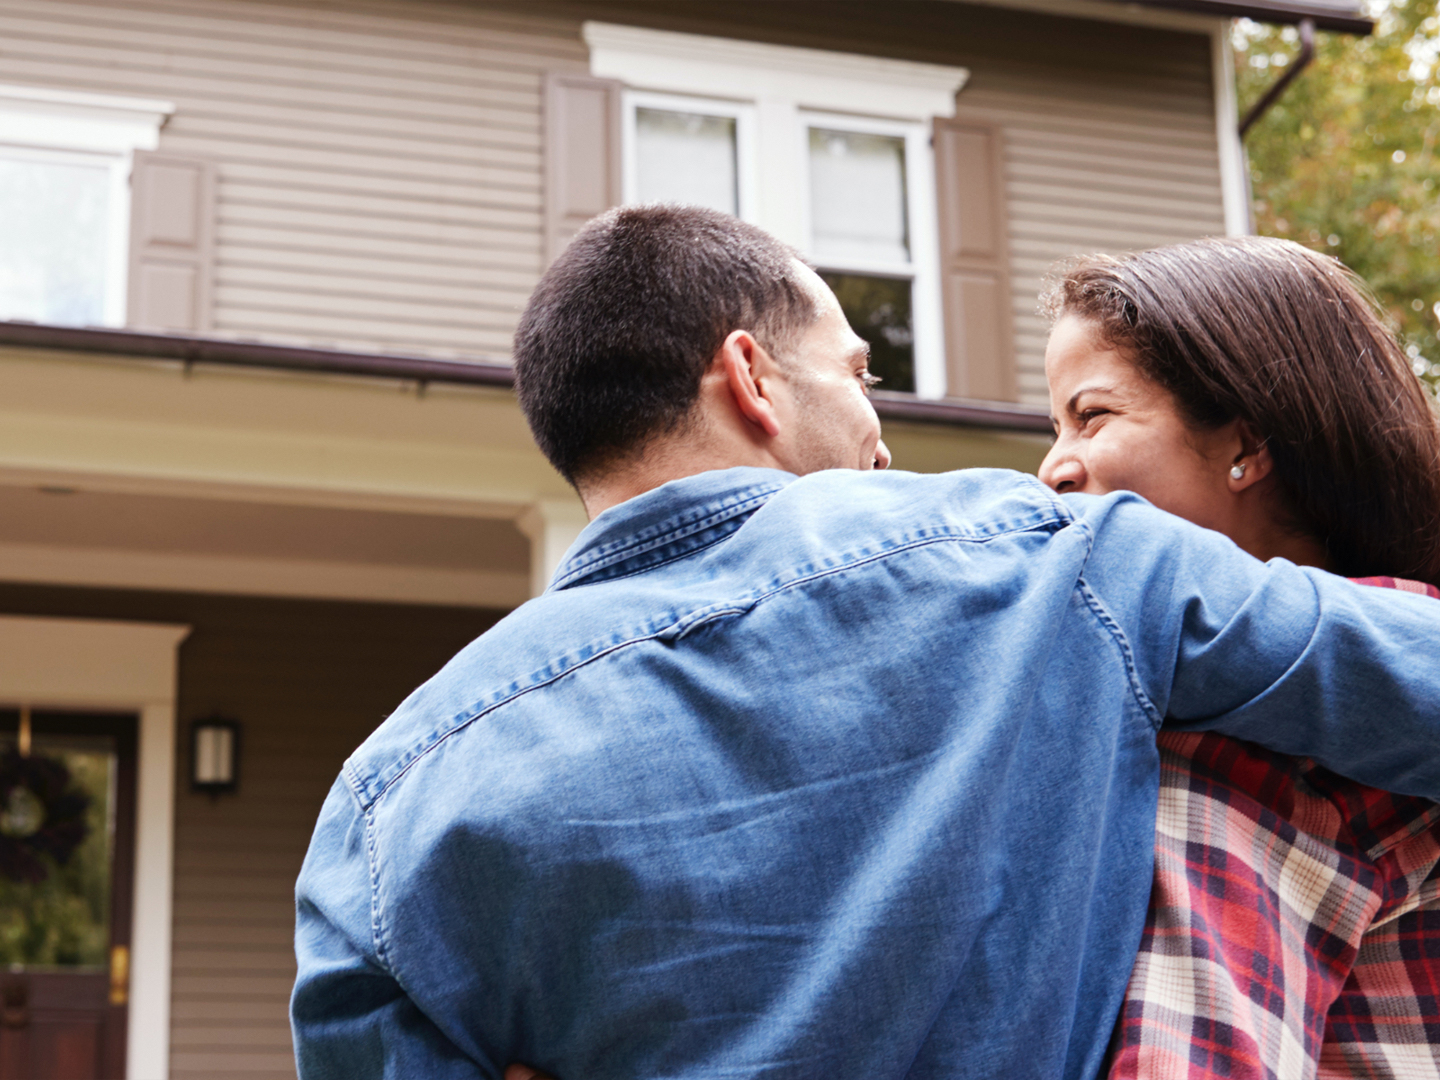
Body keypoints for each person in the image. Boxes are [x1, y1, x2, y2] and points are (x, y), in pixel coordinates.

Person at [291, 206, 1440, 1080]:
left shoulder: (379, 811)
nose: (882, 440)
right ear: (751, 378)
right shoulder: (1051, 558)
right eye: (858, 374)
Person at [1038, 236, 1440, 1079]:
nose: (1052, 468)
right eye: (1054, 425)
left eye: (1092, 415)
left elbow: (1192, 1054)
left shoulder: (1253, 720)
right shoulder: (1407, 625)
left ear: (1246, 444)